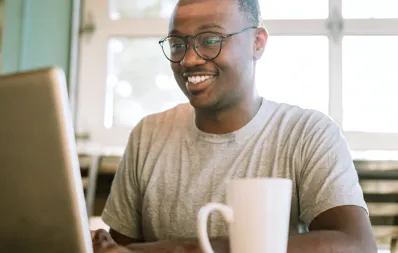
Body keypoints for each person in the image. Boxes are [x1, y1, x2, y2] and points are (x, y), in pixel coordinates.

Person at [92, 0, 377, 252]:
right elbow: (122, 249)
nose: (189, 60)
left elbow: (356, 246)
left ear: (258, 43)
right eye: (178, 44)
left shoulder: (307, 133)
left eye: (210, 40)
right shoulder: (148, 135)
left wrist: (191, 248)